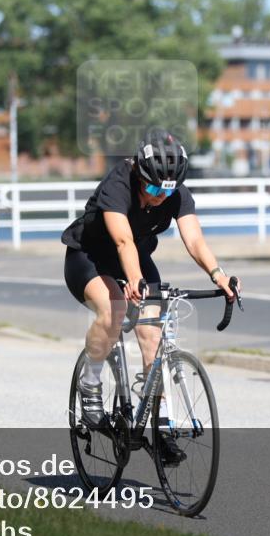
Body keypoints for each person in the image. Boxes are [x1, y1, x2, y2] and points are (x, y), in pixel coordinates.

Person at [61, 129, 240, 464]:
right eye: (155, 189)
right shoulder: (118, 185)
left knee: (153, 337)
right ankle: (91, 384)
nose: (161, 196)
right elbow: (123, 241)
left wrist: (219, 275)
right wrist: (134, 280)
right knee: (114, 309)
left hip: (137, 259)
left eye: (168, 190)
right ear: (140, 175)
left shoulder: (174, 193)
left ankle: (161, 427)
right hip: (90, 257)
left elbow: (194, 240)